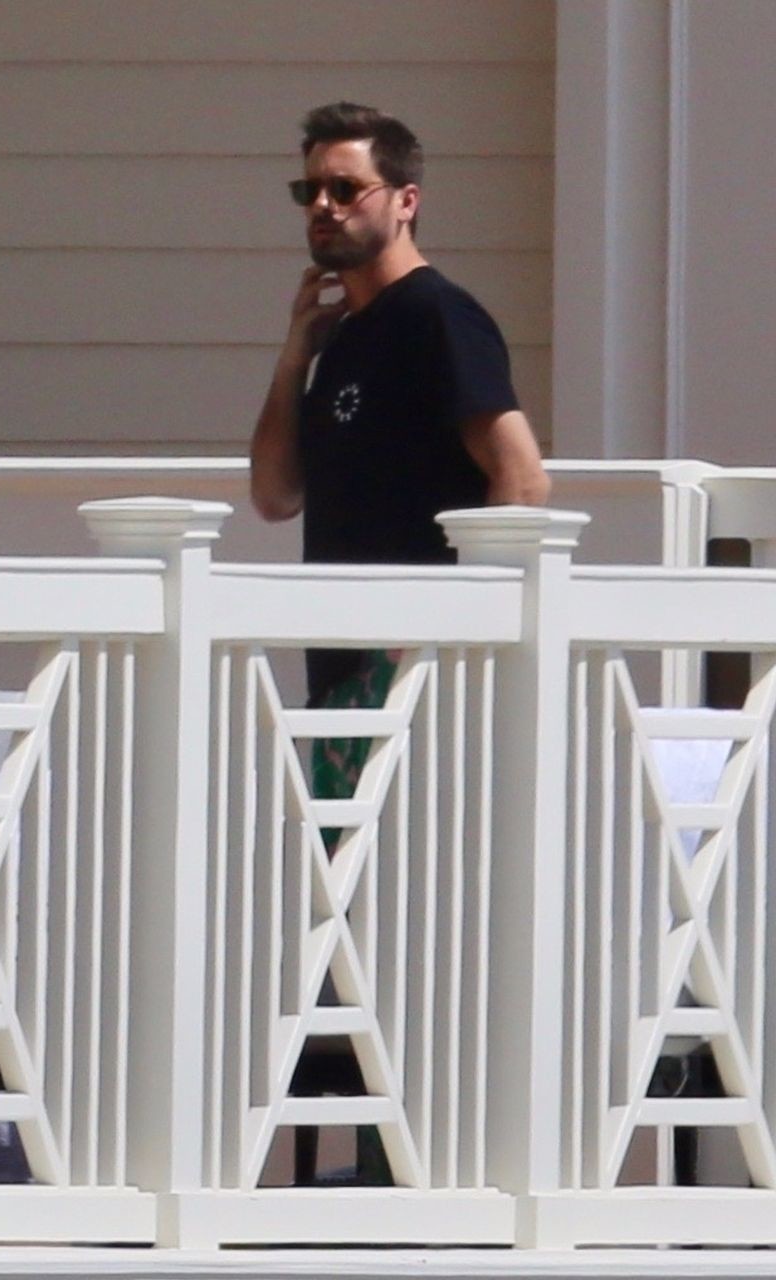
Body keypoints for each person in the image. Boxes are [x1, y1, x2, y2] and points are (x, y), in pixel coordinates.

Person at [246, 101, 551, 1186]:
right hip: (337, 676)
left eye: (347, 188)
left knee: (406, 928)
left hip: (408, 677)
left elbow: (522, 478)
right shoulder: (342, 339)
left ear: (406, 199)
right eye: (311, 191)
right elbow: (274, 493)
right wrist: (296, 348)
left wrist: (450, 643)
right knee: (348, 927)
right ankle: (375, 1174)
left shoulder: (439, 318)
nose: (324, 207)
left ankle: (417, 1173)